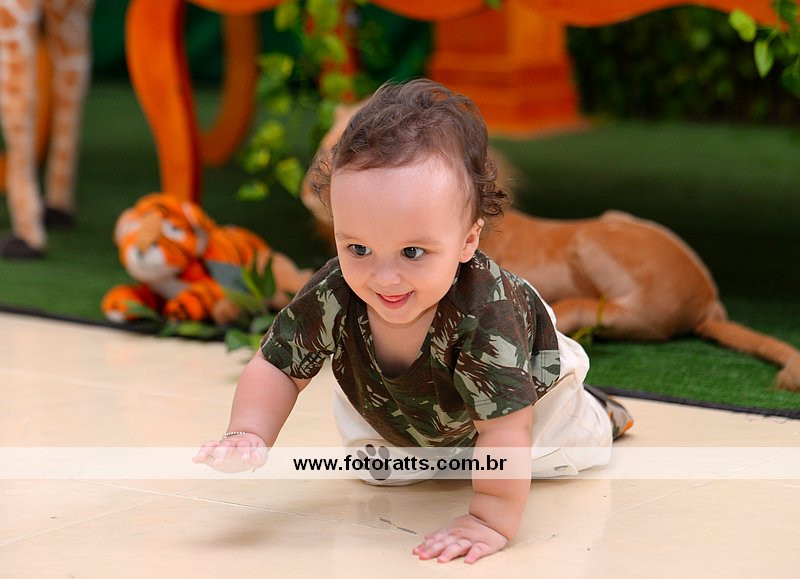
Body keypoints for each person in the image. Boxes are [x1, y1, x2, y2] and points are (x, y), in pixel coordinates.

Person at [194, 78, 633, 564]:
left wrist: (489, 517)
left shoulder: (486, 311)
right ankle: (448, 447)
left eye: (412, 252)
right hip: (408, 408)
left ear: (468, 242)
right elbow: (278, 366)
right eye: (358, 248)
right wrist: (247, 431)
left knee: (559, 454)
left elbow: (506, 433)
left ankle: (601, 410)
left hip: (527, 398)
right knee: (381, 471)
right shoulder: (337, 290)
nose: (384, 277)